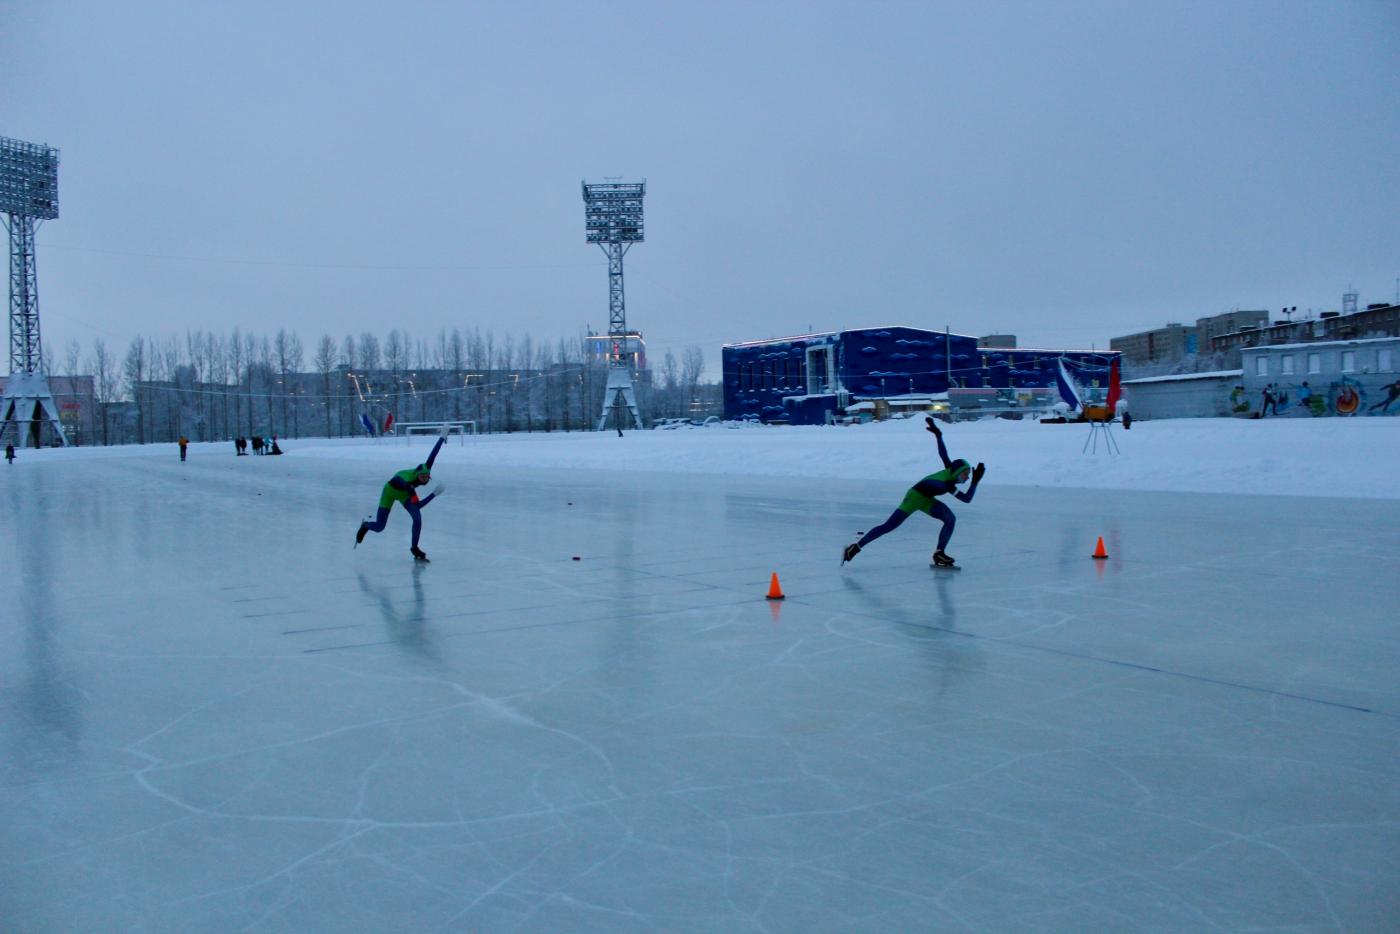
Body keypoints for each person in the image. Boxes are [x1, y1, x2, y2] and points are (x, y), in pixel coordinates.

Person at [842, 416, 985, 569]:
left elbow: (943, 454)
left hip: (927, 498)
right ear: (957, 473)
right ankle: (855, 548)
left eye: (968, 475)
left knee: (950, 519)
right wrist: (975, 483)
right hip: (914, 496)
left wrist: (939, 435)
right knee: (888, 526)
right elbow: (967, 499)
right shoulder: (948, 483)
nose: (967, 477)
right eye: (965, 474)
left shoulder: (950, 470)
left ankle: (939, 553)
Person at [356, 426, 449, 562]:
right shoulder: (408, 484)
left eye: (426, 477)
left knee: (417, 519)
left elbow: (433, 454)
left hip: (403, 494)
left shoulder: (425, 469)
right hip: (389, 492)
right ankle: (366, 525)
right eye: (422, 478)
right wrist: (433, 494)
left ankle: (414, 548)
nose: (424, 479)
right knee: (380, 526)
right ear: (417, 476)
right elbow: (418, 505)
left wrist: (442, 437)